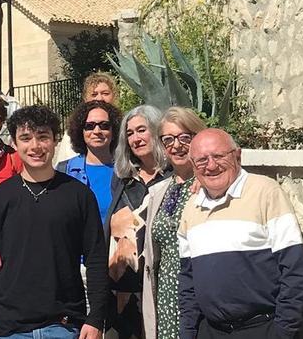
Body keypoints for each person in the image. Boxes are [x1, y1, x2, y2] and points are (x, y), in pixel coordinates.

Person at [0, 105, 108, 339]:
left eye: (43, 137)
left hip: (64, 325)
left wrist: (96, 319)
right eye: (26, 138)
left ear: (55, 140)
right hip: (9, 327)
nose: (35, 146)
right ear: (14, 143)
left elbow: (96, 259)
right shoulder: (2, 196)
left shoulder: (79, 195)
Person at [177, 129, 303, 339]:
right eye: (202, 160)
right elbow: (188, 283)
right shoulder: (191, 209)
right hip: (211, 331)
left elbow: (295, 270)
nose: (211, 166)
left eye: (219, 156)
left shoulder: (265, 192)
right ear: (193, 166)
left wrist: (283, 332)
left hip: (262, 329)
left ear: (237, 156)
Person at [107, 105, 171, 339]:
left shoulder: (174, 178)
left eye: (141, 130)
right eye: (130, 133)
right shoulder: (123, 179)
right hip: (120, 291)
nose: (135, 138)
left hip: (158, 290)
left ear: (156, 131)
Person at [142, 108, 207, 339]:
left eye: (184, 138)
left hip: (198, 296)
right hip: (165, 298)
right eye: (168, 139)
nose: (176, 146)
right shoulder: (161, 190)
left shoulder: (209, 188)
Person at [57, 101, 123, 222]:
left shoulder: (126, 171)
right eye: (89, 126)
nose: (97, 131)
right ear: (80, 132)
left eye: (104, 125)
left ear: (114, 131)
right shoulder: (64, 170)